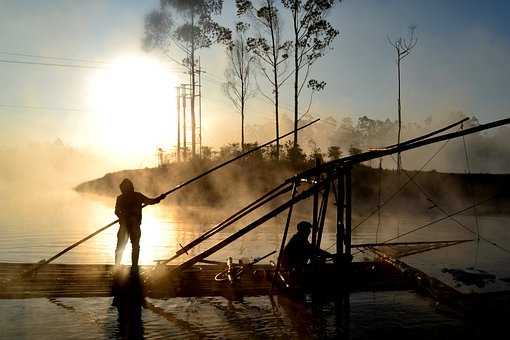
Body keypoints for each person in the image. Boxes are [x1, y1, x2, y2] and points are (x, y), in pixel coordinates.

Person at [114, 178, 166, 269]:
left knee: (127, 246)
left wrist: (160, 198)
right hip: (128, 226)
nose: (124, 190)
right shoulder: (130, 197)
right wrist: (160, 198)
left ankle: (125, 266)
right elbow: (151, 201)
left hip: (131, 226)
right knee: (129, 246)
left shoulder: (127, 197)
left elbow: (117, 212)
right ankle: (127, 266)